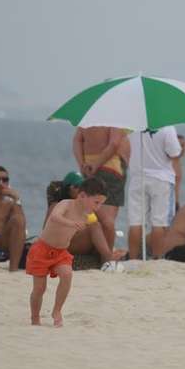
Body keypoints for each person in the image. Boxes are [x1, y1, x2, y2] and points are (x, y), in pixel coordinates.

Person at [28, 177, 107, 327]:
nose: (98, 207)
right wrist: (71, 223)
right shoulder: (65, 204)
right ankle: (34, 318)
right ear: (82, 196)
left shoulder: (88, 216)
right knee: (39, 289)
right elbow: (55, 217)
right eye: (96, 202)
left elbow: (97, 227)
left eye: (101, 203)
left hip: (61, 253)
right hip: (42, 249)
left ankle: (56, 311)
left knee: (67, 274)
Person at [127, 126, 183, 259]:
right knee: (159, 223)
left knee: (136, 222)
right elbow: (174, 153)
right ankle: (157, 259)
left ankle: (133, 259)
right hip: (161, 178)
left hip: (137, 177)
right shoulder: (167, 127)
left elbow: (125, 147)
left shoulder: (133, 125)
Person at [45, 171, 124, 264]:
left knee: (103, 225)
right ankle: (108, 259)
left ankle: (106, 258)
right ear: (70, 188)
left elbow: (107, 224)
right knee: (94, 227)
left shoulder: (87, 204)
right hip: (65, 243)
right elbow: (47, 231)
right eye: (77, 187)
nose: (82, 190)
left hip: (82, 241)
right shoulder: (59, 205)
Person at [72, 126, 130, 250]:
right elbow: (114, 143)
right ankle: (107, 256)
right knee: (107, 220)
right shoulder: (112, 114)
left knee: (96, 216)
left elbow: (77, 140)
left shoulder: (88, 115)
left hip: (88, 166)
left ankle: (100, 253)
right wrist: (96, 164)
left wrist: (82, 164)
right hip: (109, 167)